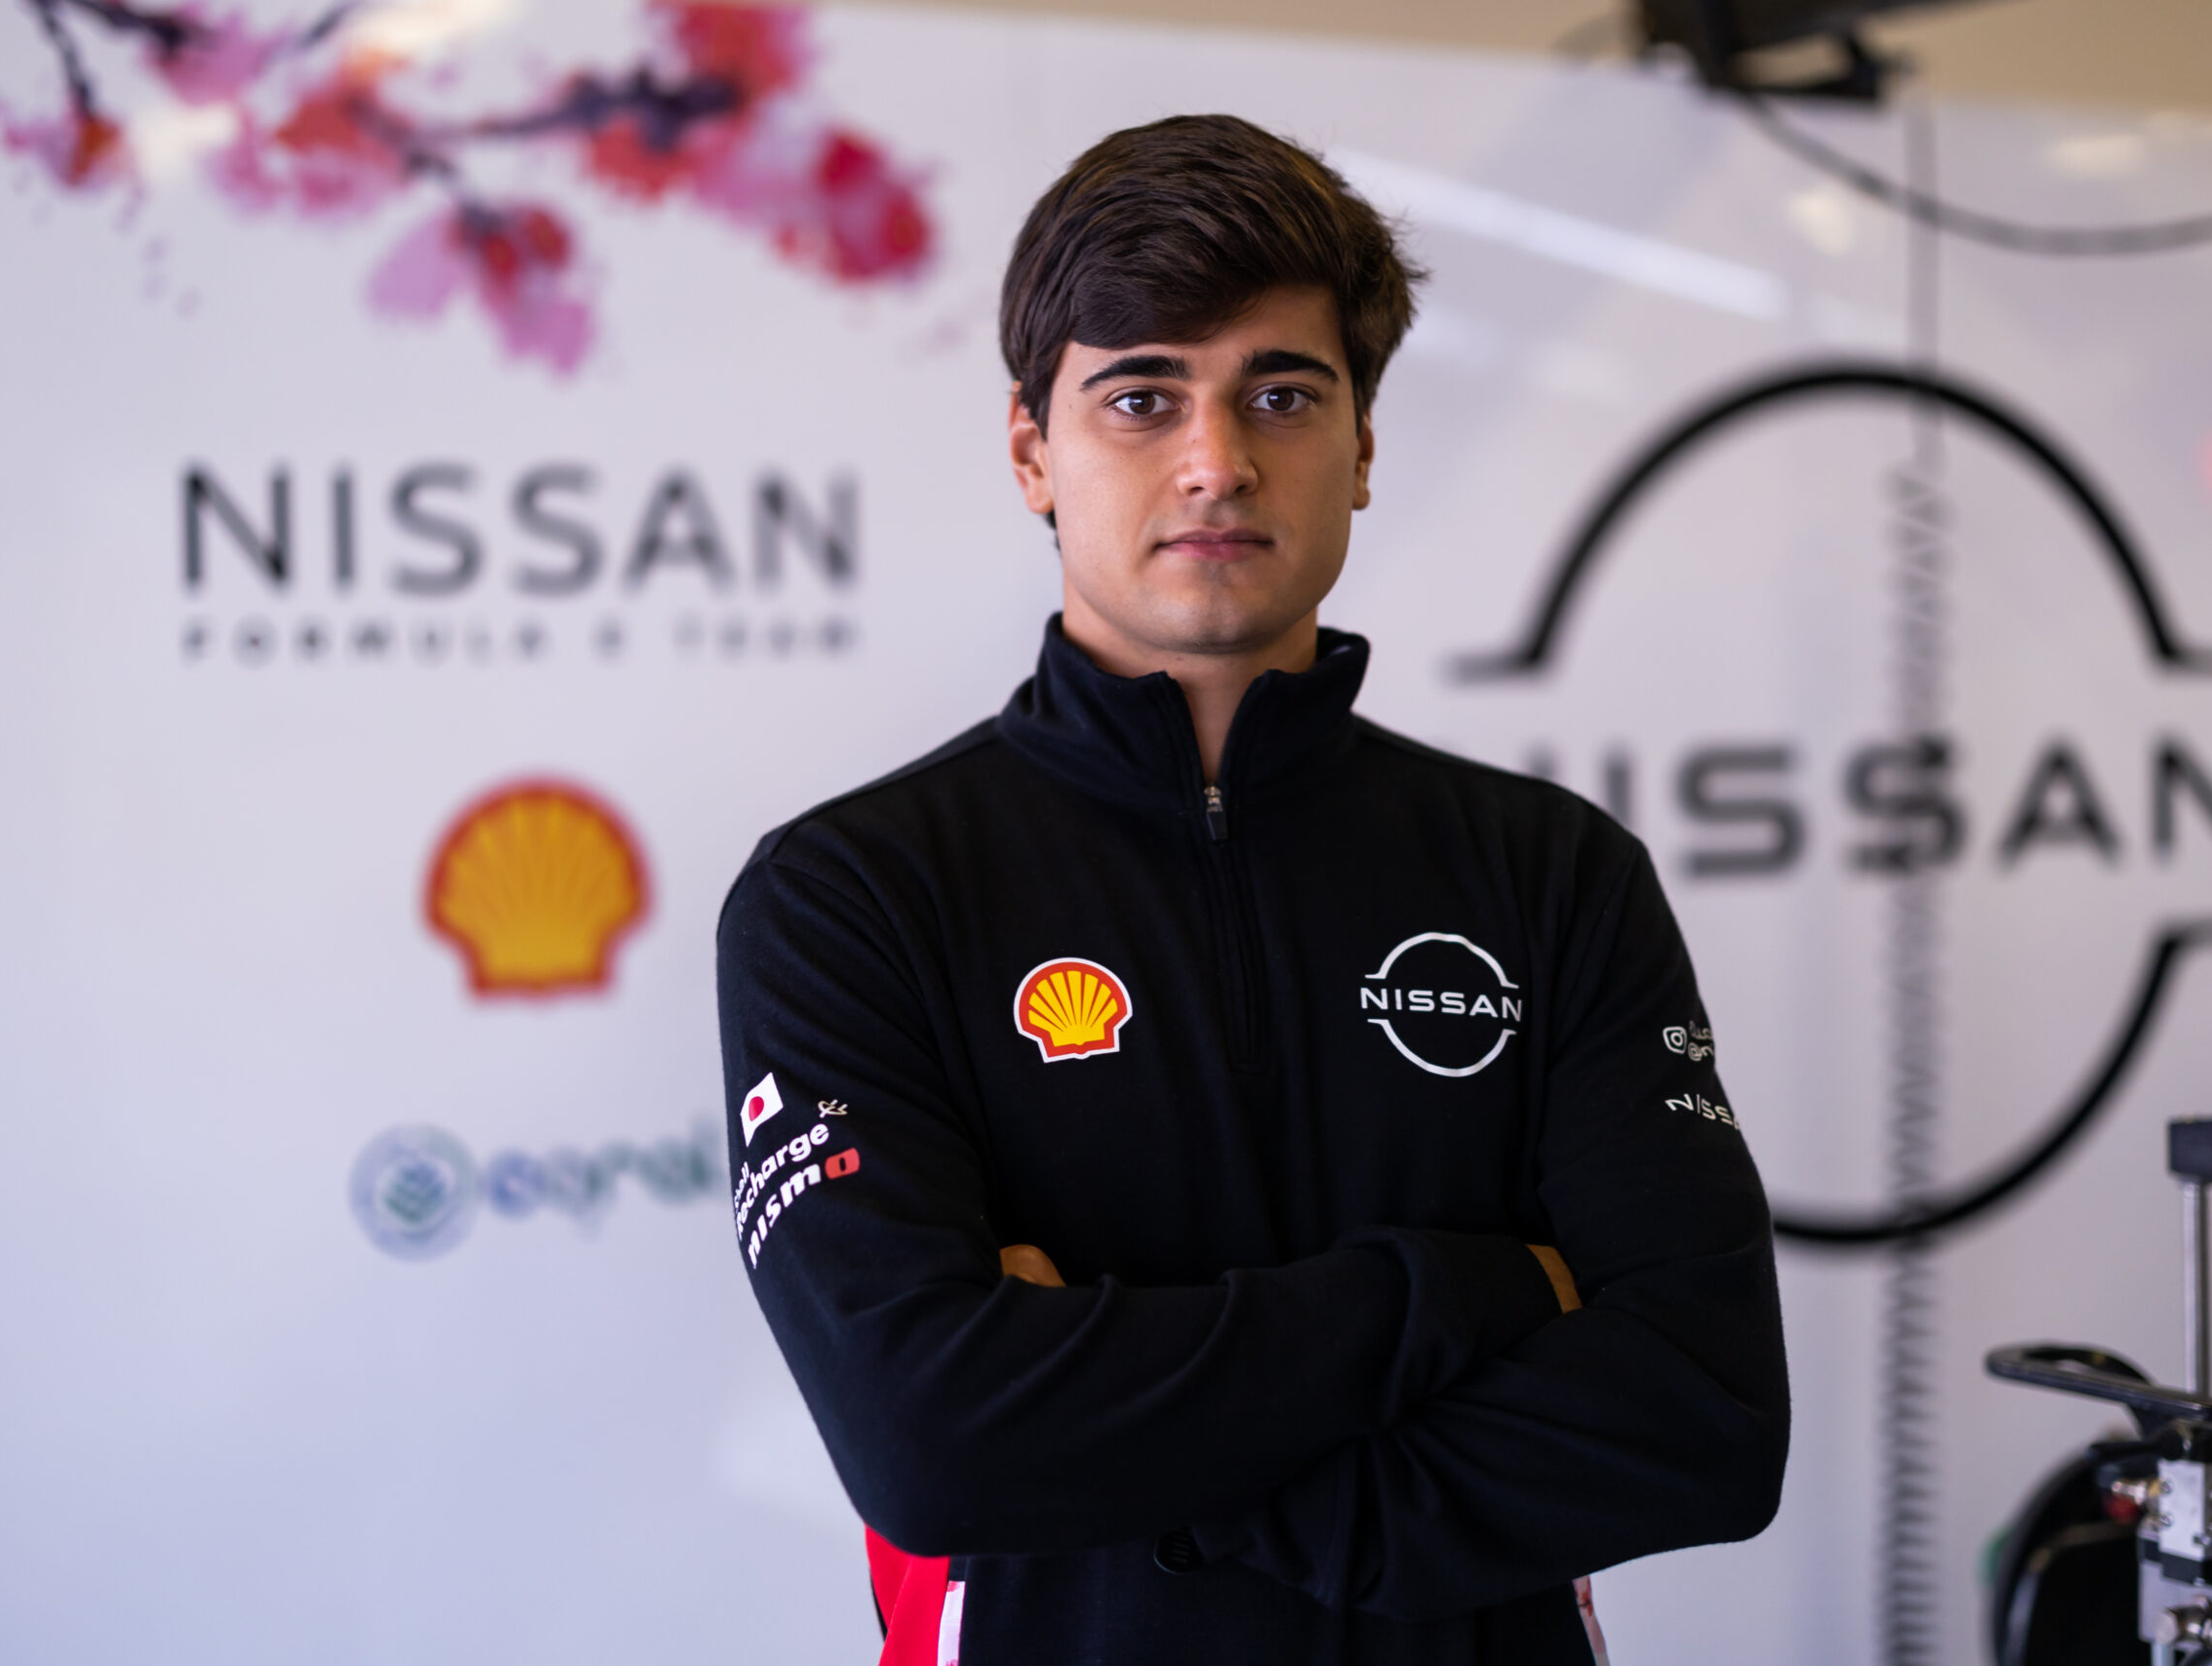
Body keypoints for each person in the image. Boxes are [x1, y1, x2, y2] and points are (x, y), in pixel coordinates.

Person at [716, 113, 1789, 1666]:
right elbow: (934, 1443)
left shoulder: (1552, 874)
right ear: (1031, 450)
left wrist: (1152, 1458)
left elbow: (1707, 1418)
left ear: (1364, 447)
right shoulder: (854, 897)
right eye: (1140, 397)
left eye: (1282, 394)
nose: (1216, 461)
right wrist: (1472, 1295)